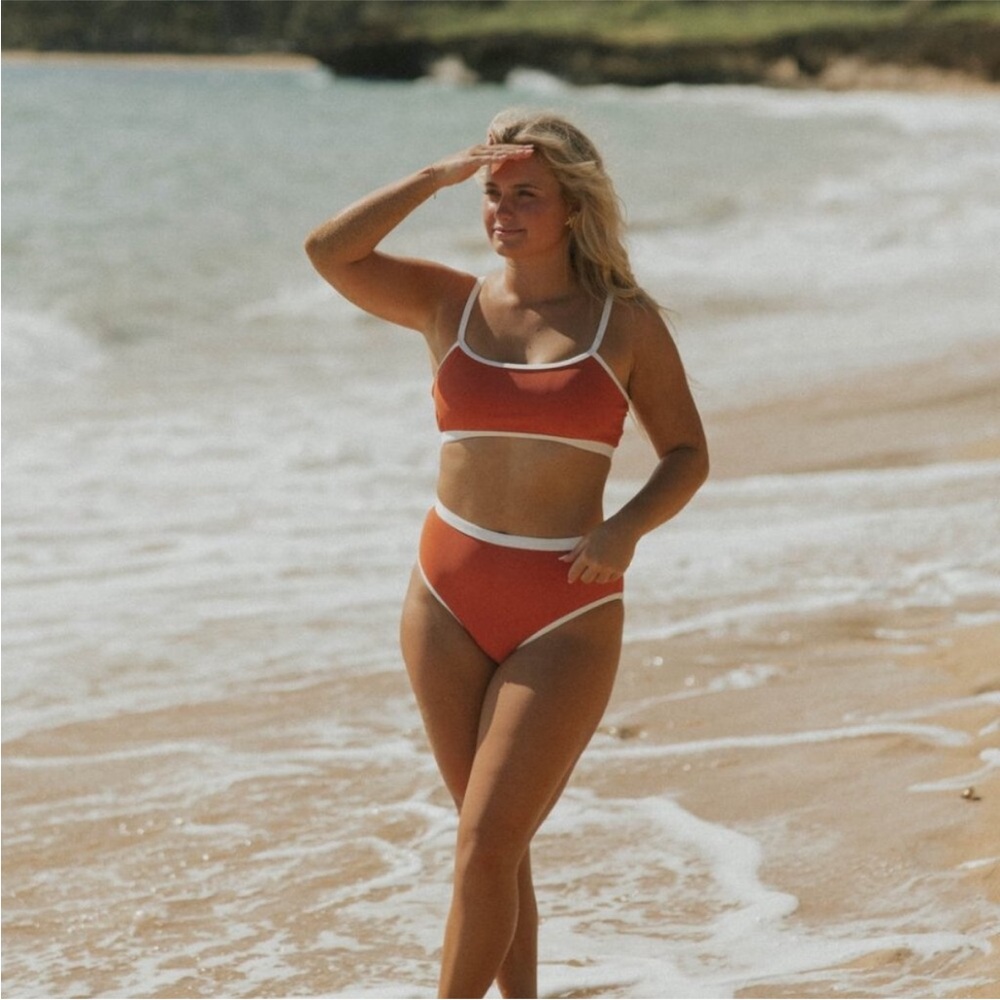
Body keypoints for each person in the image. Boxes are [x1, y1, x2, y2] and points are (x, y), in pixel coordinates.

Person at [305, 109, 708, 999]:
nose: (503, 210)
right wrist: (432, 177)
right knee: (492, 847)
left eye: (526, 194)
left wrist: (626, 528)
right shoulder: (446, 302)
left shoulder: (623, 325)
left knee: (487, 843)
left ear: (573, 207)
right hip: (443, 600)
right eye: (493, 193)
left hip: (566, 608)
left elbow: (687, 454)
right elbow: (330, 253)